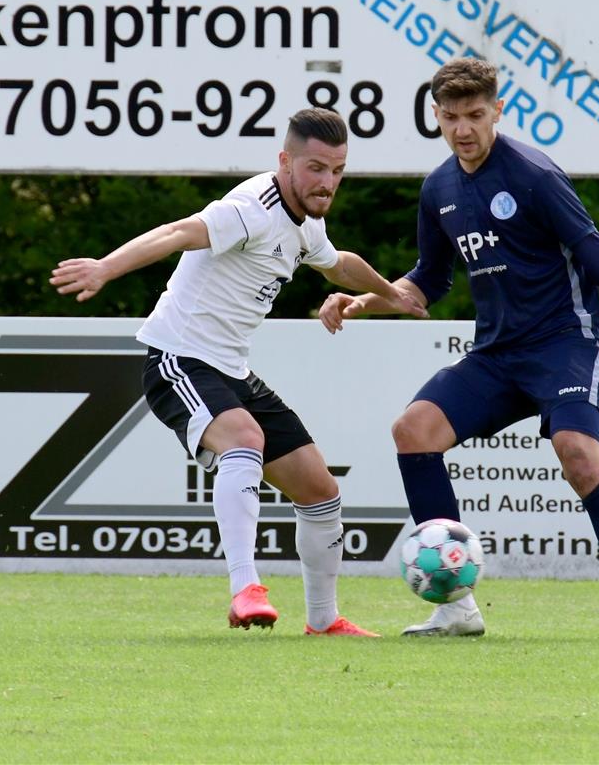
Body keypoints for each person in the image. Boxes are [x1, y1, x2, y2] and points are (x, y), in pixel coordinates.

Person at [320, 58, 599, 643]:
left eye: (476, 115)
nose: (463, 129)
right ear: (436, 117)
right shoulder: (439, 188)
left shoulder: (534, 175)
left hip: (566, 344)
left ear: (498, 111)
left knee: (577, 452)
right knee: (413, 430)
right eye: (451, 117)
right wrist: (363, 300)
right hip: (497, 355)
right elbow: (428, 280)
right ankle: (456, 608)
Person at [51, 108, 422, 636]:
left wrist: (392, 296)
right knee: (243, 440)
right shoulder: (251, 207)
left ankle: (323, 621)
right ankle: (245, 587)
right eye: (316, 168)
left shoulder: (306, 222)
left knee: (320, 491)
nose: (327, 182)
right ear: (285, 161)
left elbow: (339, 264)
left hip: (230, 369)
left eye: (337, 171)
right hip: (177, 358)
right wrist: (105, 267)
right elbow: (178, 232)